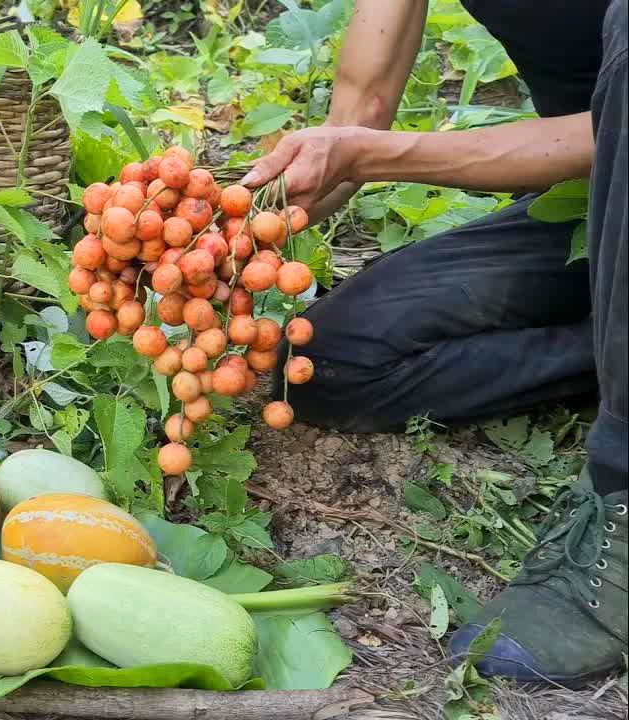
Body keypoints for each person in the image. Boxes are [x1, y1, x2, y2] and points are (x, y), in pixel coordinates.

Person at [242, 0, 627, 685]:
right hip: (592, 206)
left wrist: (375, 154)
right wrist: (240, 222)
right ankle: (613, 352)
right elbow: (354, 119)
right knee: (325, 365)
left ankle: (622, 497)